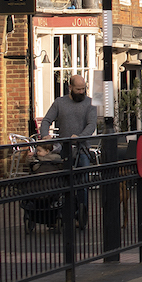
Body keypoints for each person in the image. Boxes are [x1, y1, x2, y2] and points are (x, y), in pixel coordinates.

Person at [39, 75, 97, 218]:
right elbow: (46, 120)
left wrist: (80, 137)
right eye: (78, 89)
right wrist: (45, 135)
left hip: (82, 149)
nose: (81, 92)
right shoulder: (60, 103)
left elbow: (91, 125)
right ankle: (65, 212)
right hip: (64, 149)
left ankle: (81, 215)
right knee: (64, 183)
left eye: (83, 89)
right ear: (70, 88)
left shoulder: (90, 103)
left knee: (82, 183)